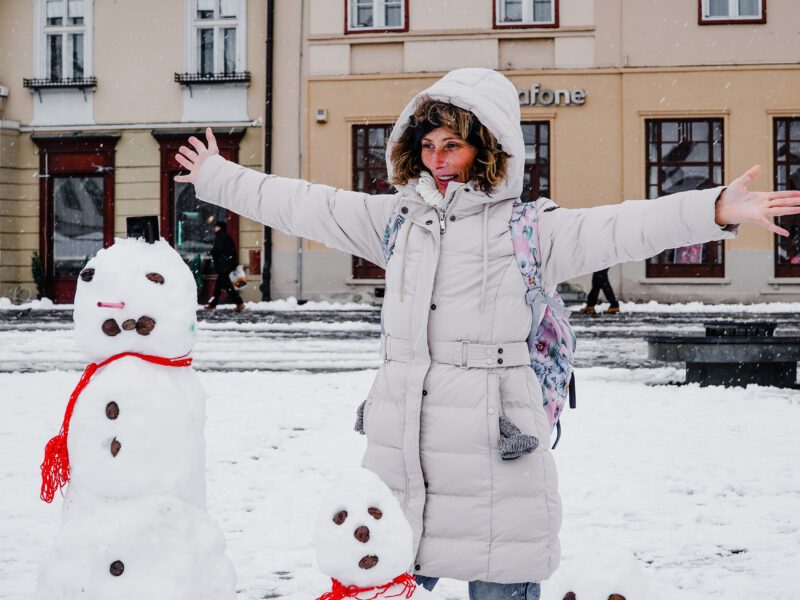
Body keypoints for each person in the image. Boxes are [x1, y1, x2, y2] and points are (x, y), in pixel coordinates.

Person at [174, 69, 800, 600]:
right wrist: (218, 177)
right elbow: (306, 204)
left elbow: (623, 226)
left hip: (492, 444)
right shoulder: (396, 222)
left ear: (488, 148)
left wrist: (715, 208)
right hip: (404, 441)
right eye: (428, 145)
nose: (438, 160)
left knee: (501, 575)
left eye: (454, 145)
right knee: (384, 576)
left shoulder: (529, 230)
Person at [205, 220, 245, 312]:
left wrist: (212, 252)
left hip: (223, 267)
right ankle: (212, 304)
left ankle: (239, 303)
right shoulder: (226, 237)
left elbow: (218, 250)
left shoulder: (221, 237)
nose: (215, 228)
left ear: (220, 227)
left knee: (227, 286)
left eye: (216, 226)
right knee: (220, 287)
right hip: (225, 266)